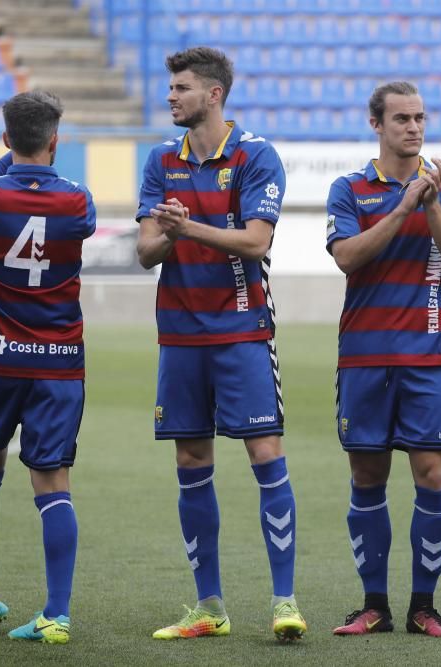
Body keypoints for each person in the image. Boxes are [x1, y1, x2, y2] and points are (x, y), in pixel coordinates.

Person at [135, 46, 306, 642]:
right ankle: (209, 605)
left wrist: (185, 228)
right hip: (180, 335)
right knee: (190, 463)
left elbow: (256, 243)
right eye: (170, 88)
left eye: (180, 88)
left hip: (242, 332)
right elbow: (146, 251)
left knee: (266, 457)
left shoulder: (257, 155)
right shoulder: (161, 160)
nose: (170, 97)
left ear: (213, 95)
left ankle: (284, 600)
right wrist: (167, 233)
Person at [325, 81, 441, 639]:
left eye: (419, 118)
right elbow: (347, 258)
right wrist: (402, 206)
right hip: (364, 358)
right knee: (367, 476)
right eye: (401, 119)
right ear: (377, 125)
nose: (413, 127)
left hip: (429, 356)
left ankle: (424, 606)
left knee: (432, 474)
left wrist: (431, 205)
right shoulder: (349, 188)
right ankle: (373, 605)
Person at [0, 90, 95, 644]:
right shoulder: (79, 201)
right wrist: (36, 163)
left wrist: (9, 155)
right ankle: (56, 614)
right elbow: (64, 204)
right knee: (53, 480)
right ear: (56, 141)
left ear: (7, 138)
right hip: (58, 360)